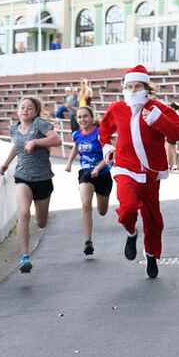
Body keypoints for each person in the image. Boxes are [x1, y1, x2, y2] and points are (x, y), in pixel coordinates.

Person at [98, 64, 179, 279]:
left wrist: (158, 120)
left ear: (147, 88)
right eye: (129, 87)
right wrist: (107, 146)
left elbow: (178, 132)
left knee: (152, 218)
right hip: (125, 167)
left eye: (137, 87)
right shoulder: (117, 108)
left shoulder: (158, 108)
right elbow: (104, 130)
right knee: (127, 207)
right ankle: (131, 232)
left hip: (150, 172)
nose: (133, 91)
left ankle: (150, 255)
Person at [0, 96, 62, 273]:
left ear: (35, 112)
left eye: (29, 108)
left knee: (41, 223)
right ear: (18, 110)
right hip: (23, 177)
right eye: (22, 107)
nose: (25, 110)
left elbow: (57, 140)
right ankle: (25, 257)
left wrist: (36, 141)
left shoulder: (40, 125)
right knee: (24, 213)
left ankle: (35, 233)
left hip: (42, 178)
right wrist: (5, 163)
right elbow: (16, 146)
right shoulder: (15, 129)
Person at [64, 105, 112, 256]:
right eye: (79, 117)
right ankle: (88, 241)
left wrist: (98, 168)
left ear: (92, 118)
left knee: (102, 211)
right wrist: (69, 163)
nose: (82, 120)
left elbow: (110, 155)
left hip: (103, 173)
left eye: (85, 116)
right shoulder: (77, 134)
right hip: (86, 172)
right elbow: (76, 146)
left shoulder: (99, 133)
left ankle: (101, 205)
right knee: (85, 204)